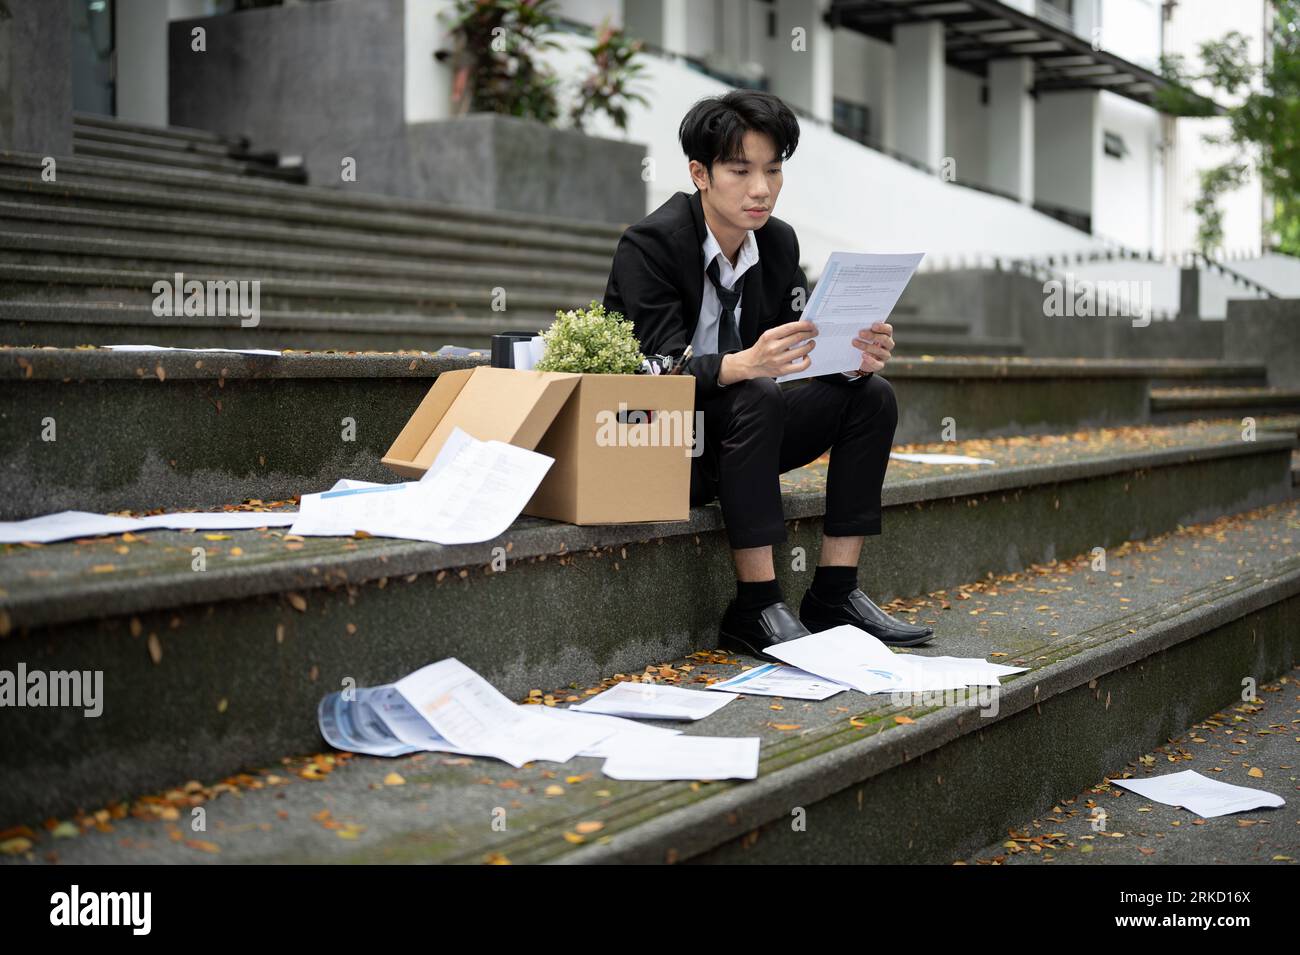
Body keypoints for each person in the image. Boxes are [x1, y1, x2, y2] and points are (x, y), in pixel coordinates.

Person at [602, 89, 933, 660]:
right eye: (741, 170)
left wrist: (849, 357)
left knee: (871, 396)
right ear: (699, 174)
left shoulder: (777, 243)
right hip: (658, 443)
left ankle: (834, 593)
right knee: (755, 389)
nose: (762, 189)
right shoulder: (650, 245)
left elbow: (798, 344)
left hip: (743, 437)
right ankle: (755, 602)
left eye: (774, 170)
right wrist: (743, 365)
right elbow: (649, 370)